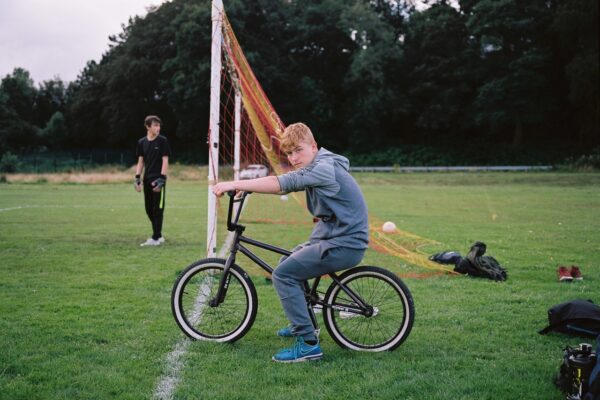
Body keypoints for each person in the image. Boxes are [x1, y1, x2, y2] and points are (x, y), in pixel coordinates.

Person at [212, 122, 369, 362]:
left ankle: (308, 344)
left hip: (344, 244)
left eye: (298, 150)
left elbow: (281, 184)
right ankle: (305, 324)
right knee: (288, 260)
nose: (294, 158)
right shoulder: (321, 163)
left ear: (314, 147)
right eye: (289, 153)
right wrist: (249, 188)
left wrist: (236, 183)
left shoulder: (323, 169)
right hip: (335, 237)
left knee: (283, 274)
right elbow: (284, 181)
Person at [134, 115, 171, 246]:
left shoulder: (163, 141)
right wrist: (137, 177)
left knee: (157, 209)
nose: (158, 128)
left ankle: (155, 238)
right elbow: (140, 161)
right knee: (148, 209)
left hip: (158, 180)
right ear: (148, 127)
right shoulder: (141, 142)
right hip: (147, 179)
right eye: (155, 125)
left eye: (159, 125)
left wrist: (162, 178)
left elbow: (165, 160)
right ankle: (159, 235)